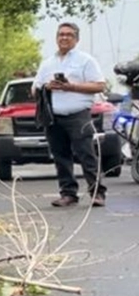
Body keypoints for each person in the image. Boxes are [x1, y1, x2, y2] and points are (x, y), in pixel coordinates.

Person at [33, 22, 108, 207]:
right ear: (56, 38)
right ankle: (68, 193)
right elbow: (34, 89)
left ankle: (97, 192)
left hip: (78, 115)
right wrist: (47, 87)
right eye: (61, 34)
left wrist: (71, 86)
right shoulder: (47, 63)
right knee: (60, 156)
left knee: (86, 154)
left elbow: (99, 85)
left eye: (69, 35)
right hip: (53, 116)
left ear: (76, 39)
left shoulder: (86, 60)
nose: (64, 38)